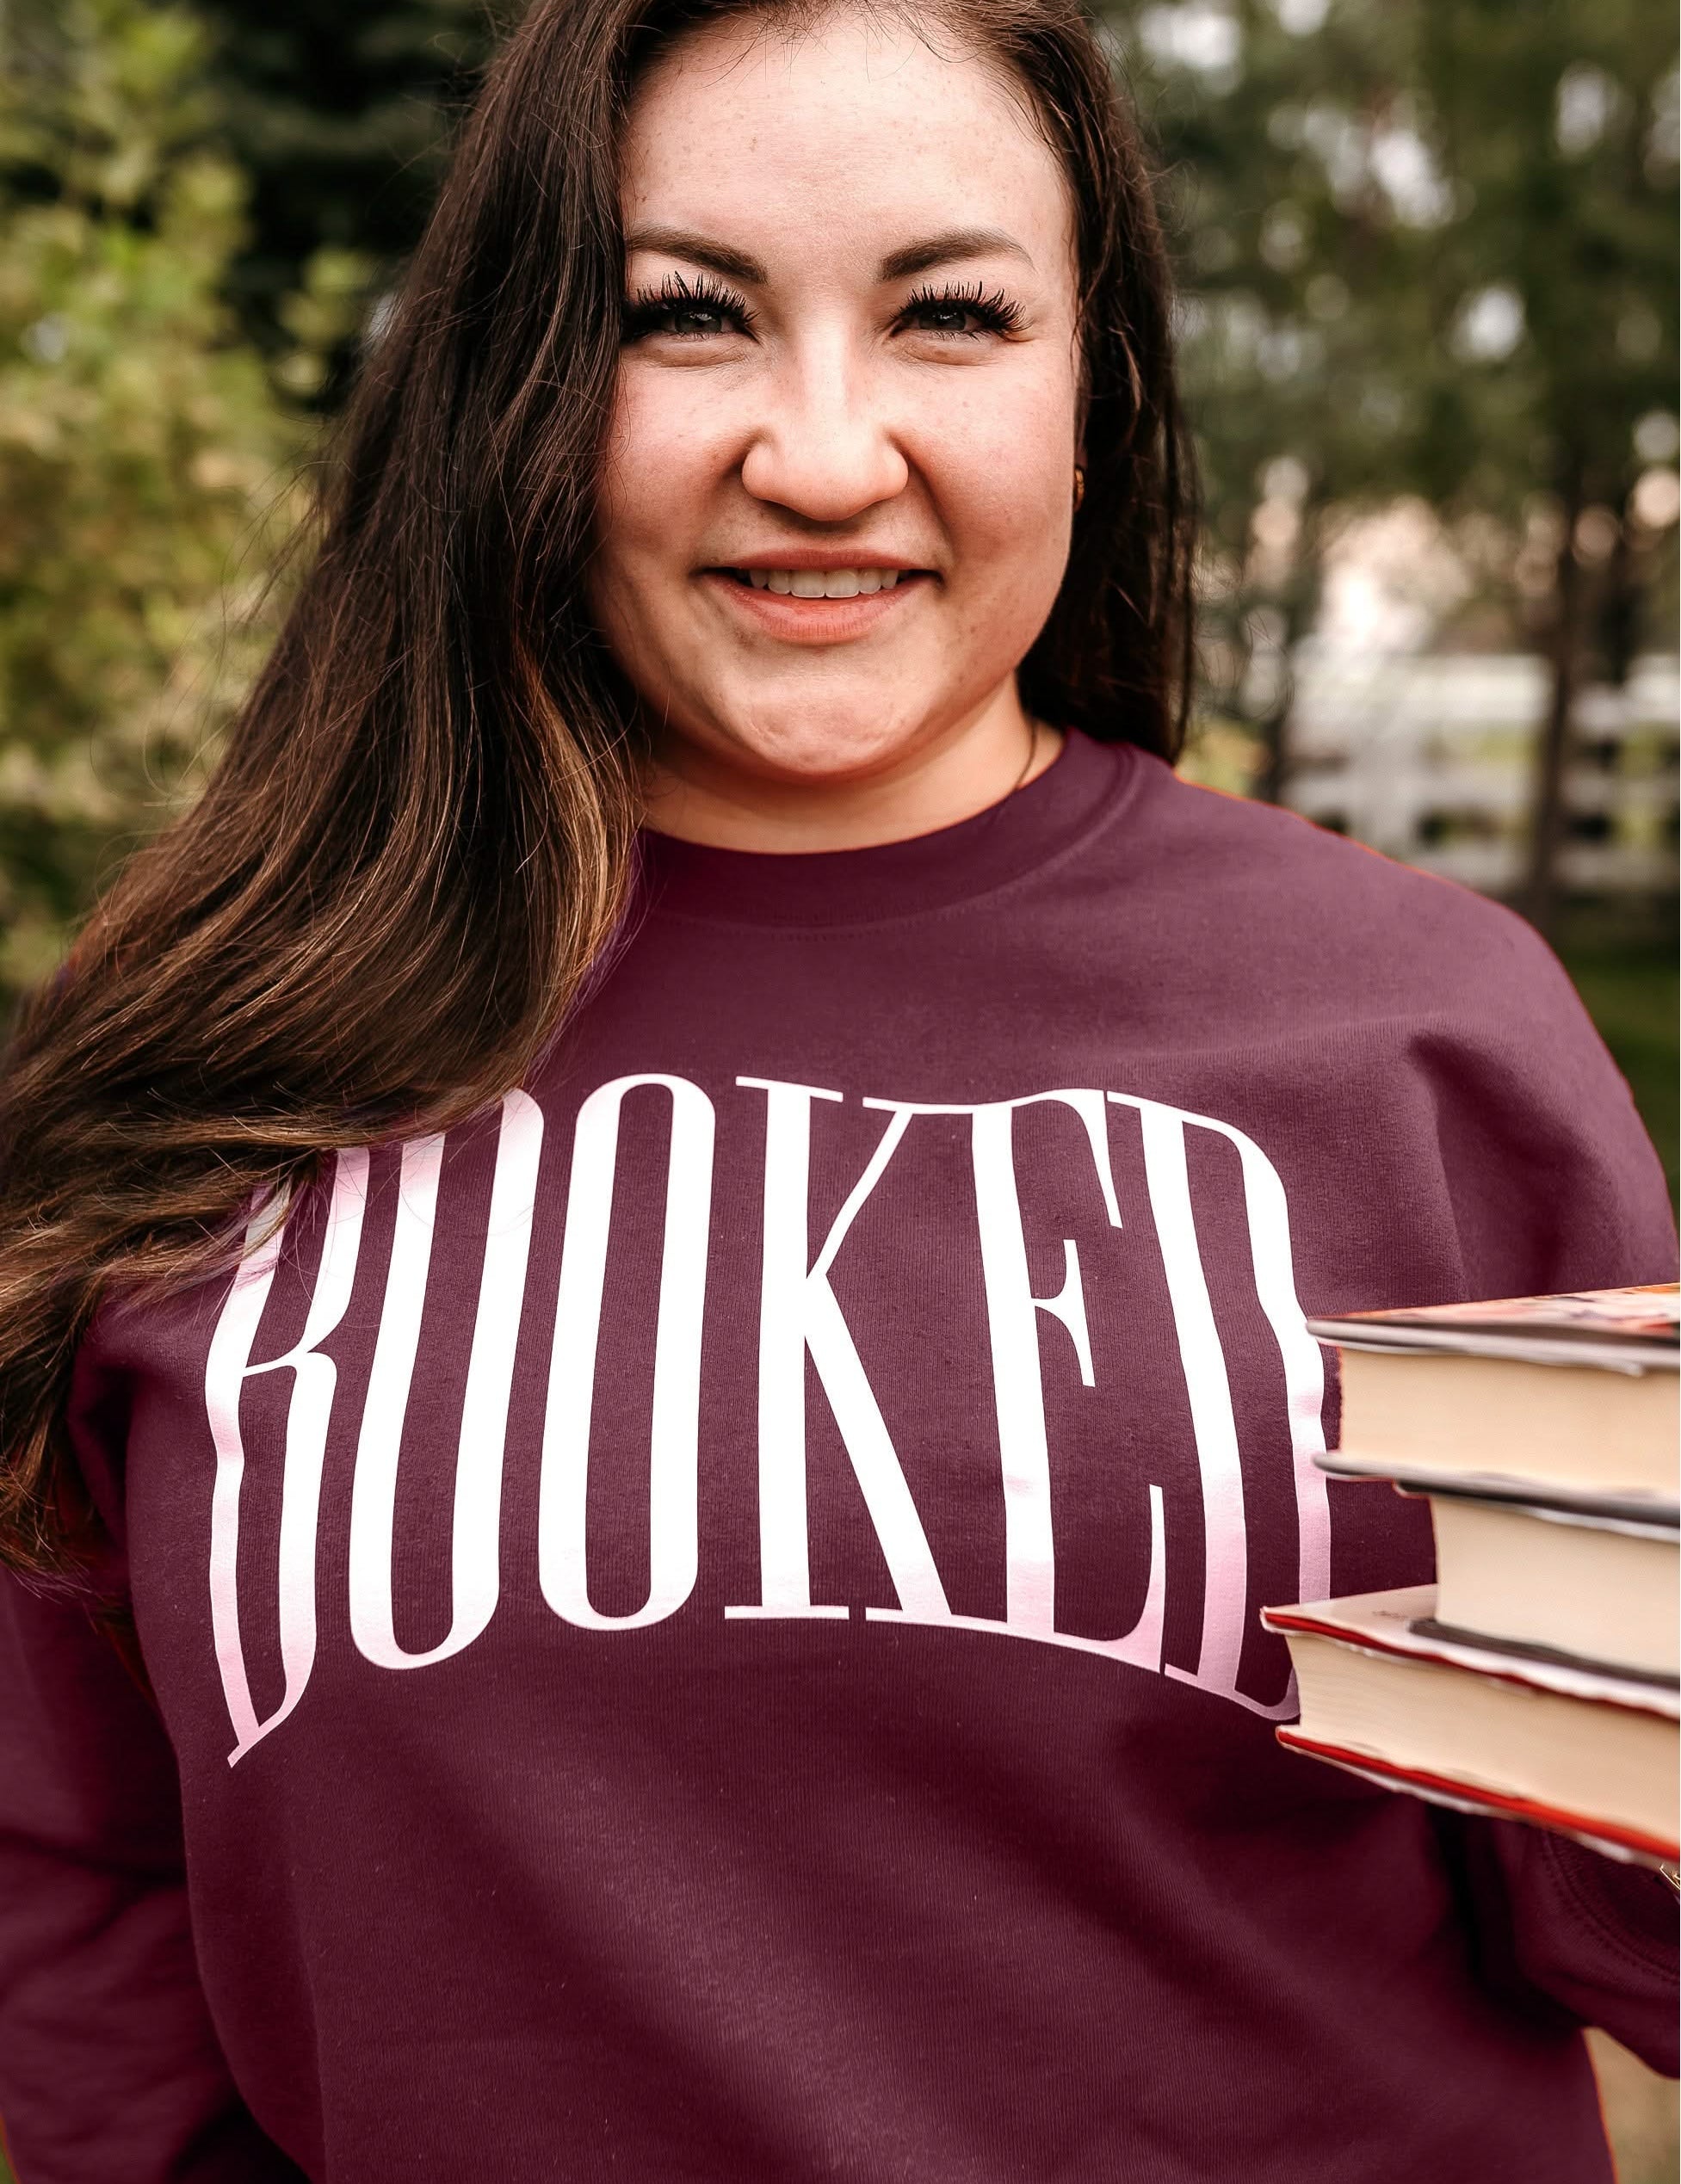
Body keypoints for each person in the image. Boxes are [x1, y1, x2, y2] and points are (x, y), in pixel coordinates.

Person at [0, 0, 1673, 2175]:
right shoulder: (206, 1065)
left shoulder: (1420, 1041)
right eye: (683, 319)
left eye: (949, 316)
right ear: (520, 388)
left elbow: (1640, 1885)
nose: (817, 452)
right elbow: (89, 1931)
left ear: (1091, 391)